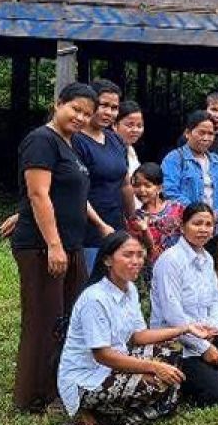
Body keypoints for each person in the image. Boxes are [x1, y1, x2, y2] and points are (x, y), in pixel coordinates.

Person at [10, 82, 115, 412]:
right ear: (58, 104)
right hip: (43, 247)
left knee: (67, 319)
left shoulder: (70, 144)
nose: (81, 117)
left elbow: (73, 196)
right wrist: (53, 245)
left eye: (87, 113)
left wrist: (99, 226)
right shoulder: (41, 140)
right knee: (44, 319)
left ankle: (58, 387)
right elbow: (39, 194)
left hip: (71, 244)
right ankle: (32, 398)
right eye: (76, 109)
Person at [57, 231, 208, 425]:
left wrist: (185, 328)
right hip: (88, 379)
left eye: (140, 255)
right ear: (108, 260)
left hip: (118, 362)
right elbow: (102, 356)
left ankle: (146, 407)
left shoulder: (130, 289)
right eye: (128, 255)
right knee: (153, 384)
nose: (136, 261)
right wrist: (153, 367)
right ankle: (100, 416)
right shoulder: (94, 299)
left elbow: (138, 336)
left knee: (174, 349)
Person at [150, 203, 218, 407]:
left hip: (204, 331)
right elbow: (172, 316)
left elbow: (216, 297)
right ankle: (184, 376)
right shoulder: (170, 261)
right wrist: (203, 346)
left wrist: (213, 329)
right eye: (197, 223)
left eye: (208, 224)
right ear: (182, 227)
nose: (203, 229)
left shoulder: (206, 257)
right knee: (216, 396)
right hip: (175, 341)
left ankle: (203, 366)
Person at [72, 79, 134, 275]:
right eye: (103, 105)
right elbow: (76, 192)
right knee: (90, 286)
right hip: (88, 229)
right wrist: (100, 225)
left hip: (115, 226)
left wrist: (131, 219)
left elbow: (125, 184)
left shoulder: (116, 140)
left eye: (114, 108)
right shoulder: (76, 141)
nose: (109, 112)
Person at [160, 110, 218, 241]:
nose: (206, 138)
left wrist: (216, 214)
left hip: (213, 229)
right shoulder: (174, 159)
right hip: (183, 230)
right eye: (201, 132)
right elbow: (170, 192)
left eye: (210, 134)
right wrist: (199, 213)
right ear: (188, 133)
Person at [125, 162, 185, 290]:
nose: (142, 190)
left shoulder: (177, 209)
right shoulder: (136, 219)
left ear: (160, 188)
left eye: (147, 185)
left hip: (180, 270)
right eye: (137, 185)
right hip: (153, 277)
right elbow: (148, 251)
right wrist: (145, 230)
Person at [114, 100, 145, 178]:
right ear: (114, 125)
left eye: (139, 126)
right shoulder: (110, 150)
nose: (135, 130)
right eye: (129, 125)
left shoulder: (130, 149)